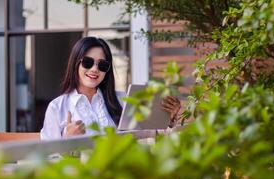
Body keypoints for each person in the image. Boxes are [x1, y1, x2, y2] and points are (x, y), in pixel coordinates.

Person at [40, 37, 181, 140]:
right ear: (75, 64)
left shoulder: (123, 100)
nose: (94, 69)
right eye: (88, 62)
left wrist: (169, 119)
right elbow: (47, 158)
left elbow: (150, 135)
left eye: (102, 65)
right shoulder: (57, 108)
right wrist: (67, 140)